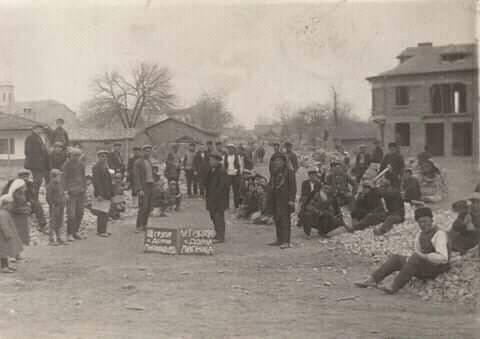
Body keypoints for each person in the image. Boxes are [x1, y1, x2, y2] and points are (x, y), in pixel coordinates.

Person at [355, 207, 449, 294]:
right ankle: (373, 279)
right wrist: (412, 259)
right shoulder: (420, 235)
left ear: (431, 220)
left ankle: (394, 286)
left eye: (425, 221)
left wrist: (424, 257)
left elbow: (443, 258)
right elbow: (418, 252)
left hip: (435, 268)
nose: (422, 225)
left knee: (415, 257)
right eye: (420, 222)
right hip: (423, 265)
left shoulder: (439, 234)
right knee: (397, 258)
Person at [2, 169, 47, 233]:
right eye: (23, 176)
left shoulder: (29, 184)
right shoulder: (13, 183)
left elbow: (33, 196)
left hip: (25, 203)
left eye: (26, 176)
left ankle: (42, 225)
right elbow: (5, 195)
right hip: (14, 203)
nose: (25, 178)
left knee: (37, 205)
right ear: (19, 177)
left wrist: (30, 201)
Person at [267, 152, 296, 249]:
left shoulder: (289, 172)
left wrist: (291, 199)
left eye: (279, 161)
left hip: (285, 199)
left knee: (285, 220)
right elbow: (271, 185)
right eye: (275, 161)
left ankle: (286, 241)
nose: (277, 163)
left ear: (284, 162)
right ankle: (279, 239)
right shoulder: (274, 172)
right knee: (277, 219)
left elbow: (293, 187)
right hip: (275, 199)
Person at [63, 147, 86, 242]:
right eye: (74, 155)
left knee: (80, 212)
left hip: (80, 191)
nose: (76, 157)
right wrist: (65, 191)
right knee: (71, 214)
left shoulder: (81, 165)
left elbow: (83, 177)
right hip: (71, 193)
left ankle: (75, 231)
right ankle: (69, 233)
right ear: (70, 155)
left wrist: (84, 187)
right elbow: (63, 179)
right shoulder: (66, 165)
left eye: (78, 155)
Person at [205, 152, 228, 243]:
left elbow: (222, 187)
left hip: (218, 200)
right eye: (210, 160)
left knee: (218, 217)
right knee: (213, 217)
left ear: (217, 161)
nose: (210, 162)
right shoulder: (212, 170)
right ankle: (217, 233)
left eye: (211, 160)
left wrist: (215, 197)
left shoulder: (221, 171)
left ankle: (220, 236)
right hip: (212, 198)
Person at [24, 124, 50, 200]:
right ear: (33, 129)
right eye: (38, 129)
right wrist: (38, 160)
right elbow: (29, 151)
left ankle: (35, 198)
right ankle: (34, 199)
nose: (40, 130)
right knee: (37, 182)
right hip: (36, 164)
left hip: (41, 164)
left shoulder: (39, 138)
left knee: (39, 181)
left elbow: (43, 151)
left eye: (40, 129)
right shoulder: (30, 138)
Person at [92, 150, 114, 237]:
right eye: (102, 156)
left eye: (105, 156)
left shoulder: (105, 166)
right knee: (102, 212)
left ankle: (103, 230)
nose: (104, 158)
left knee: (105, 212)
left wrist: (111, 193)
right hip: (101, 193)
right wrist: (99, 194)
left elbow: (109, 181)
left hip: (107, 192)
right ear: (98, 157)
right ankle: (101, 231)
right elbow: (96, 182)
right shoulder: (96, 167)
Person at [134, 145, 155, 233]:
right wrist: (139, 189)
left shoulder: (149, 162)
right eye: (146, 151)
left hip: (150, 185)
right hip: (143, 186)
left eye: (149, 151)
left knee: (148, 207)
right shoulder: (138, 162)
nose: (148, 153)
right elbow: (136, 176)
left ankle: (144, 224)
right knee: (143, 206)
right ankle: (138, 226)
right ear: (142, 152)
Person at [0, 195, 23, 273]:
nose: (11, 206)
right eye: (10, 204)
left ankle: (6, 266)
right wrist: (8, 234)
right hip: (2, 237)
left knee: (5, 252)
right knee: (3, 252)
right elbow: (3, 225)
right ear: (6, 204)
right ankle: (4, 267)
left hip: (4, 236)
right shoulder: (2, 213)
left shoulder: (5, 213)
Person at [46, 169, 68, 246]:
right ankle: (51, 239)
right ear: (53, 176)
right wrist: (52, 204)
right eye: (59, 176)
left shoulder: (60, 184)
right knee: (53, 222)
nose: (60, 177)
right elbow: (49, 197)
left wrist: (64, 200)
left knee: (59, 222)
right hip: (55, 206)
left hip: (61, 205)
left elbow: (62, 194)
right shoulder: (50, 185)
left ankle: (59, 238)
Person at [223, 144, 241, 210]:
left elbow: (239, 165)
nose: (230, 150)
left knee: (236, 191)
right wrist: (225, 172)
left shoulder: (237, 156)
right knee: (226, 191)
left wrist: (236, 171)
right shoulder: (225, 156)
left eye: (231, 148)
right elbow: (224, 165)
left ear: (234, 149)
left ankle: (236, 206)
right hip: (228, 175)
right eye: (229, 148)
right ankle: (226, 206)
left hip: (235, 176)